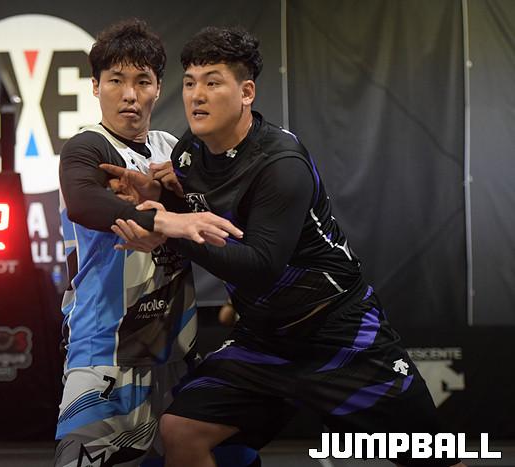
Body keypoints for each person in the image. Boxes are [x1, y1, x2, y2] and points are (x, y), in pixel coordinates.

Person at [105, 26, 466, 467]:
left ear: (246, 92)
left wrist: (170, 228)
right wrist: (160, 196)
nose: (197, 95)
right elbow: (205, 215)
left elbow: (260, 266)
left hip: (339, 334)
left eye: (213, 83)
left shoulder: (280, 163)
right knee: (181, 431)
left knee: (434, 459)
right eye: (190, 83)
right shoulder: (188, 154)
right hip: (264, 342)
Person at [54, 19, 242, 467]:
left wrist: (179, 193)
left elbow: (222, 216)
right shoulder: (87, 147)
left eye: (142, 81)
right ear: (95, 86)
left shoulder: (172, 149)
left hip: (175, 345)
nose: (130, 95)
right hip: (106, 347)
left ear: (158, 88)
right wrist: (166, 220)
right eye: (116, 81)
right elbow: (83, 202)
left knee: (217, 454)